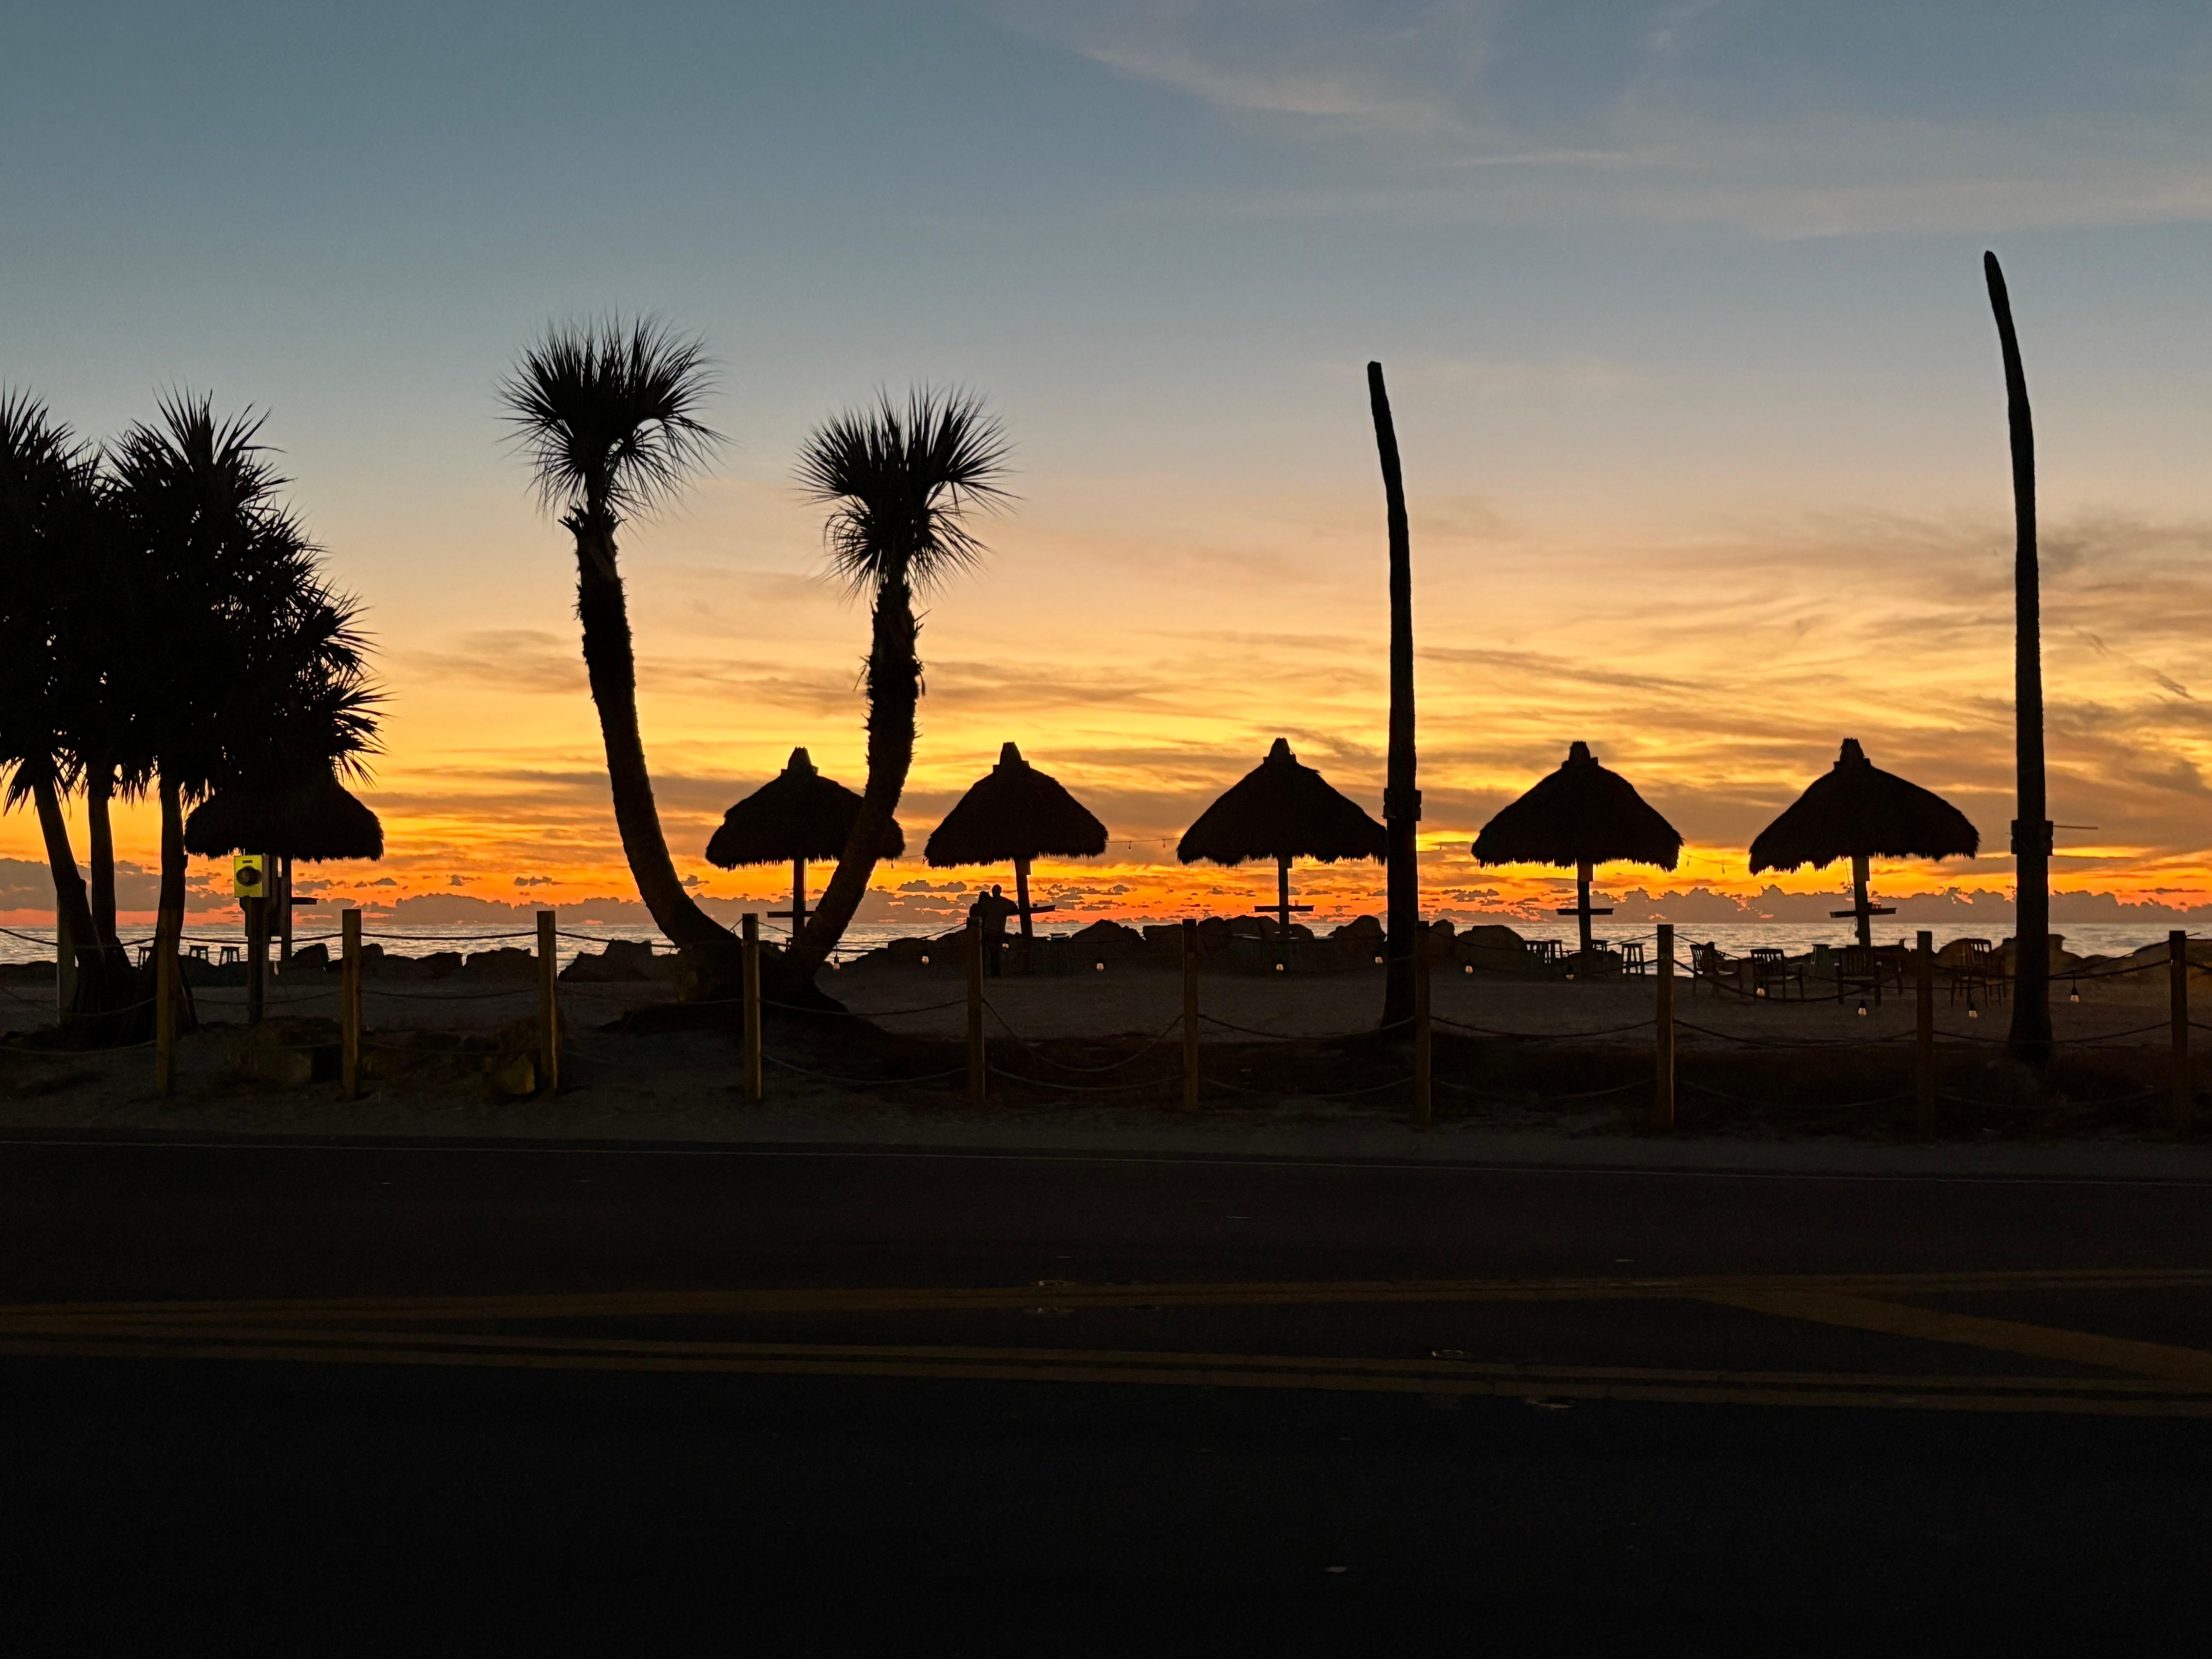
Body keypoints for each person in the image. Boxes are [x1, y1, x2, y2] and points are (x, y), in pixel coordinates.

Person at [968, 884, 1018, 975]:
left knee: (989, 954)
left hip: (990, 931)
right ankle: (994, 973)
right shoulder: (1003, 903)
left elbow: (977, 912)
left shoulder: (990, 903)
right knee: (994, 954)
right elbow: (1014, 907)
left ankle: (987, 973)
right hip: (996, 932)